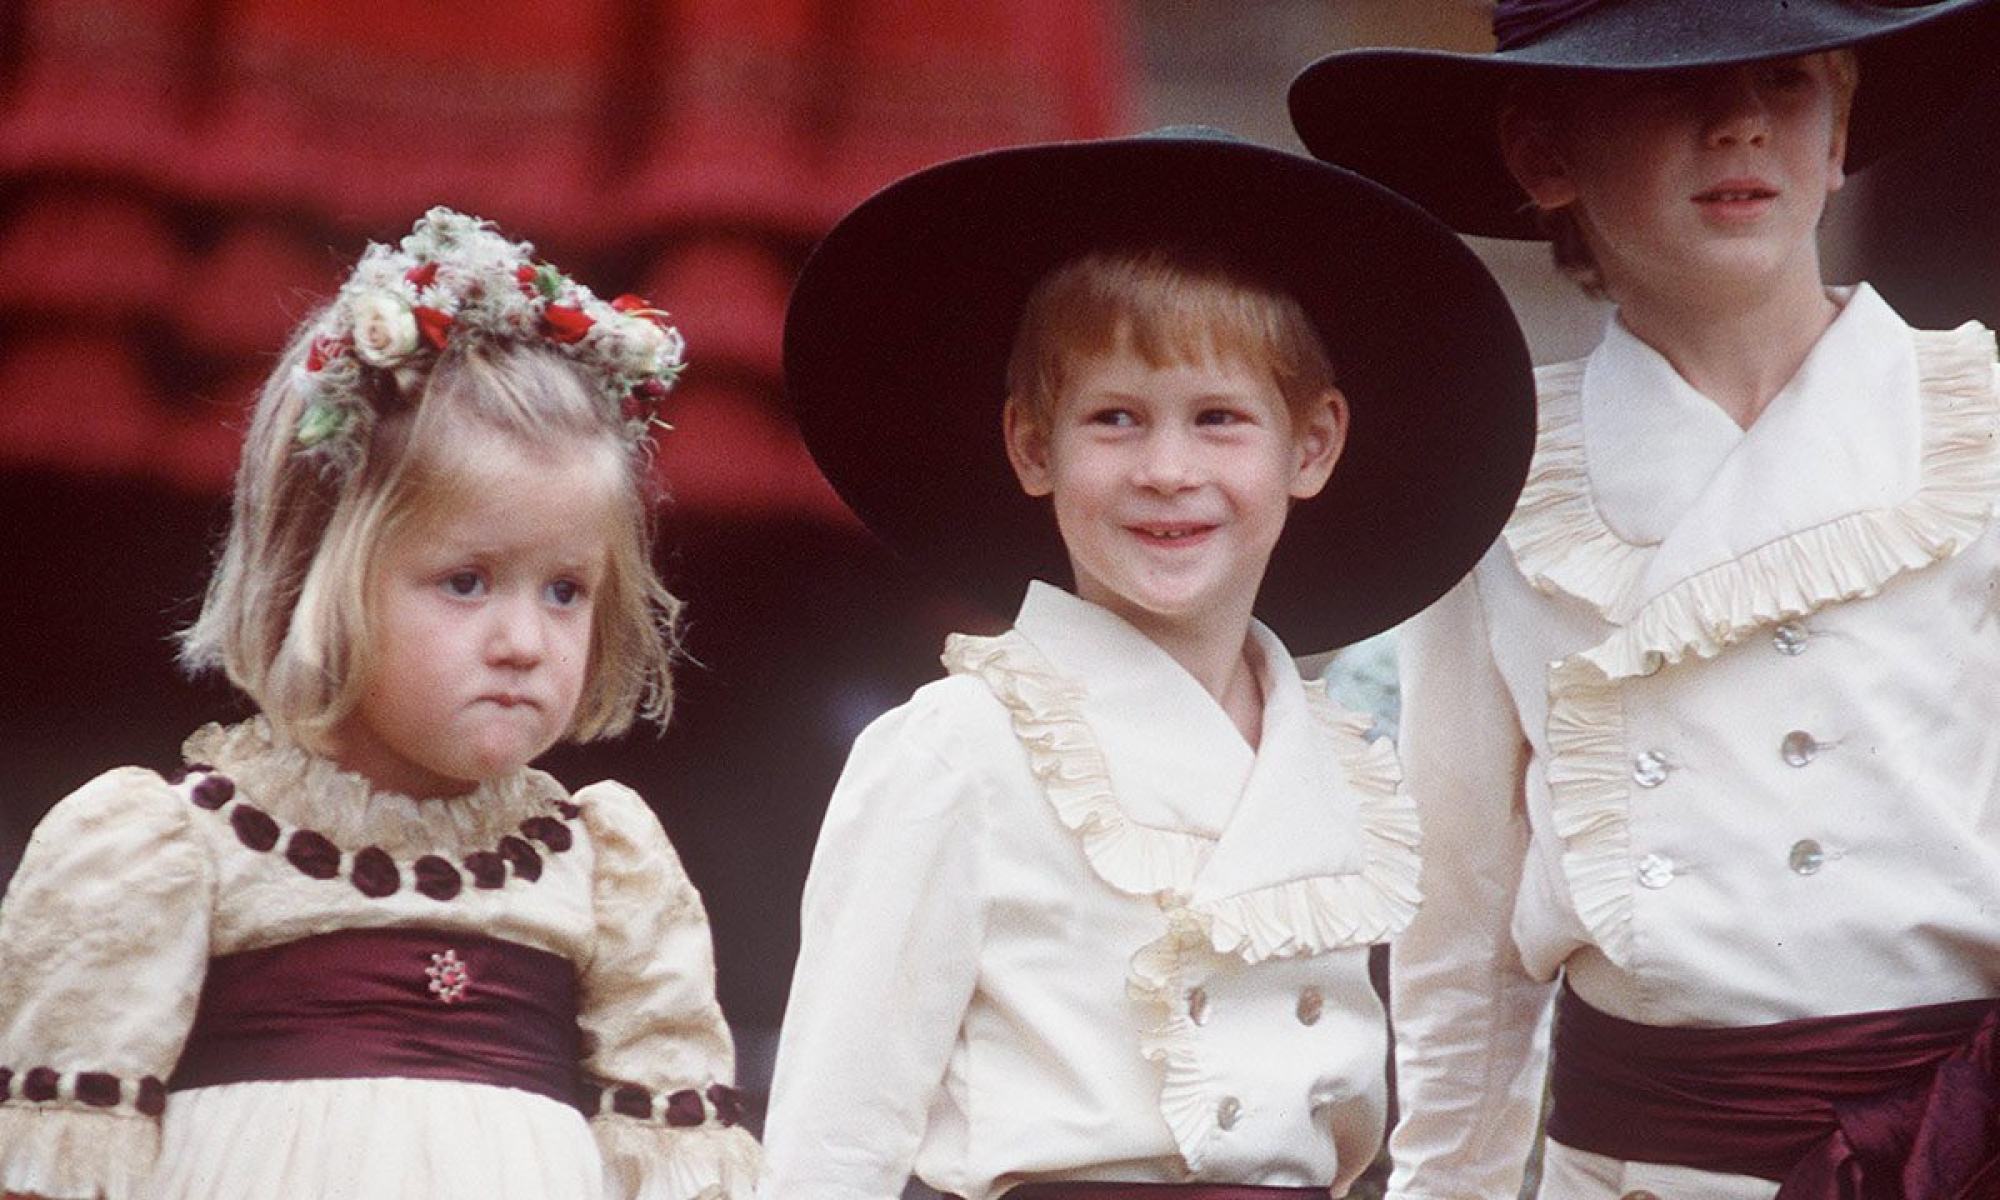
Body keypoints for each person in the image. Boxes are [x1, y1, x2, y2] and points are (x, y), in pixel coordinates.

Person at [1289, 2, 2000, 1197]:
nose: (1736, 123)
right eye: (1672, 87)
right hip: (1637, 1167)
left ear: (1837, 137)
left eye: (1782, 80)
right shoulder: (1504, 485)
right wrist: (1447, 1183)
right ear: (1542, 155)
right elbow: (1460, 926)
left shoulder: (1969, 431)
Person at [760, 128, 1536, 1200]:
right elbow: (831, 1139)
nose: (1167, 472)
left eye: (1217, 421)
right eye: (1114, 420)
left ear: (1308, 447)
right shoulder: (959, 751)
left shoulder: (1339, 772)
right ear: (1034, 449)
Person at [0, 208, 759, 1200]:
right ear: (318, 574)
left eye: (565, 589)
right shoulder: (175, 851)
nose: (524, 642)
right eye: (465, 582)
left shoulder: (607, 872)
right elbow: (63, 1165)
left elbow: (675, 1171)